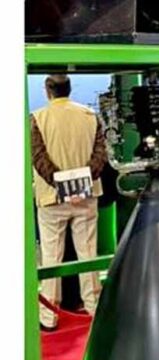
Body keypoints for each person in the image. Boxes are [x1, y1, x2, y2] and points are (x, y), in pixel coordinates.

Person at [32, 74, 107, 331]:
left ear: (47, 90)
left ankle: (49, 315)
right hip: (87, 196)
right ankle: (94, 306)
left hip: (51, 199)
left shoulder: (37, 118)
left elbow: (38, 158)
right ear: (70, 88)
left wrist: (62, 185)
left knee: (51, 257)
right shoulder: (91, 116)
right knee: (88, 254)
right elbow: (100, 155)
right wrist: (80, 184)